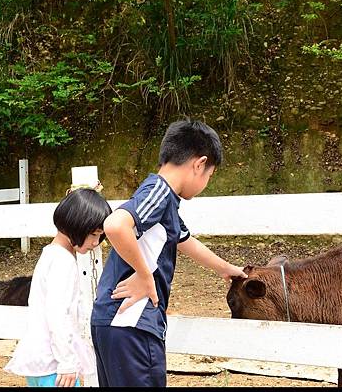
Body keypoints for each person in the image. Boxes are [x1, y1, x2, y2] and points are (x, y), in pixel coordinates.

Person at [90, 119, 248, 387]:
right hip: (133, 323)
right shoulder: (160, 192)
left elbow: (186, 241)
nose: (206, 182)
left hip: (113, 323)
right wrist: (144, 276)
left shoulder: (164, 202)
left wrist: (226, 268)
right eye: (210, 175)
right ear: (199, 164)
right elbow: (115, 225)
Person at [4, 187, 112, 387]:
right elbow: (58, 314)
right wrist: (67, 363)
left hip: (41, 360)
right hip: (54, 365)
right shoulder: (64, 262)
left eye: (100, 236)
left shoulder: (51, 254)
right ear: (76, 226)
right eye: (93, 235)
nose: (96, 243)